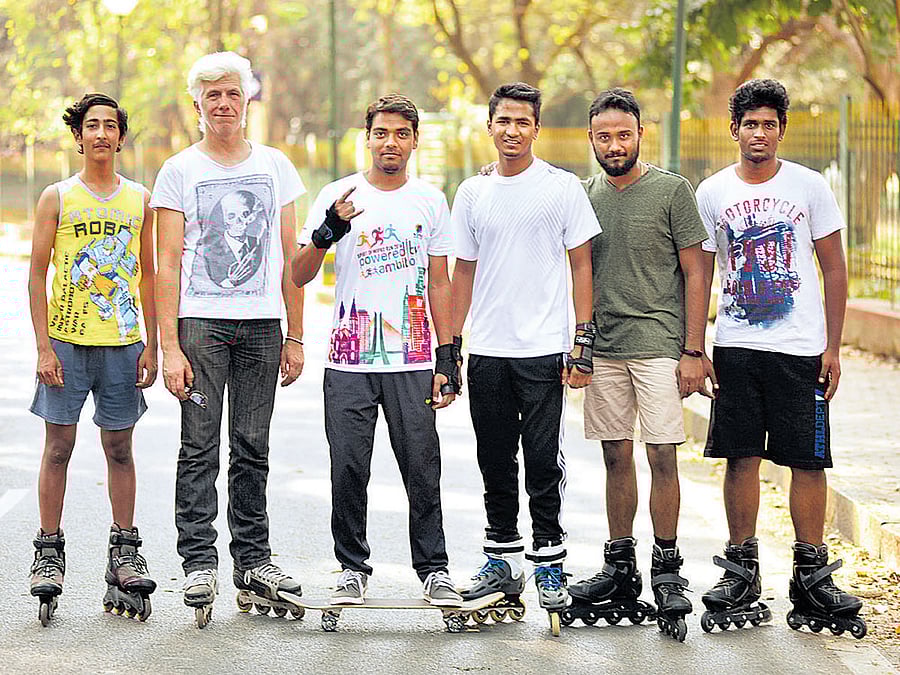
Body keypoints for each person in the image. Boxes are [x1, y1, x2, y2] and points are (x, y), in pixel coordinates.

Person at [696, 79, 865, 638]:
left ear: (782, 130)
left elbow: (834, 268)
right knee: (739, 456)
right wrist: (696, 347)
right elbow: (699, 275)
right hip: (738, 347)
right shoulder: (712, 192)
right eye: (750, 124)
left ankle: (810, 573)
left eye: (769, 124)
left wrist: (833, 345)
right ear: (734, 130)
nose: (759, 134)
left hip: (799, 349)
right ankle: (741, 567)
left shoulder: (810, 187)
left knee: (808, 460)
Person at [152, 51, 306, 623]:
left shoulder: (275, 167)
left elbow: (291, 256)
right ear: (197, 105)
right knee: (199, 446)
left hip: (263, 325)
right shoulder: (179, 171)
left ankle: (253, 560)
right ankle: (198, 560)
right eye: (211, 95)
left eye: (232, 94)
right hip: (201, 325)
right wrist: (169, 345)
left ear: (247, 102)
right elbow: (166, 263)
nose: (223, 104)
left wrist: (296, 334)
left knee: (252, 447)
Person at [291, 93, 462, 607]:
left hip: (411, 359)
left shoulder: (430, 200)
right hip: (349, 361)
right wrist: (328, 230)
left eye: (402, 133)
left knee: (422, 465)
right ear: (367, 138)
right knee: (348, 466)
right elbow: (298, 274)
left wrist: (447, 356)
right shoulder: (339, 194)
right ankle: (351, 569)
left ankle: (433, 569)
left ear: (414, 140)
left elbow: (439, 281)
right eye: (381, 132)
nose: (391, 142)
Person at [565, 88, 712, 642]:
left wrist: (694, 351)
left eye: (623, 134)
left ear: (639, 134)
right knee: (614, 458)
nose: (614, 144)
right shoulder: (582, 195)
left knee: (663, 457)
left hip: (659, 345)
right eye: (603, 136)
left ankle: (668, 569)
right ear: (591, 139)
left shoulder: (673, 191)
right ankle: (620, 564)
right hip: (603, 347)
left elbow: (697, 273)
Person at [450, 82, 601, 617]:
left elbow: (582, 265)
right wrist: (450, 348)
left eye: (522, 122)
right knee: (493, 458)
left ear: (536, 129)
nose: (512, 131)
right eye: (503, 121)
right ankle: (501, 561)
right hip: (487, 349)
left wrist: (583, 342)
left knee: (540, 459)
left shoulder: (561, 188)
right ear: (489, 126)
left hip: (543, 349)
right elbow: (461, 272)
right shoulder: (471, 192)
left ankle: (549, 561)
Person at [27, 93, 158, 623]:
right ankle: (49, 552)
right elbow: (37, 274)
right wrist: (42, 346)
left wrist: (153, 341)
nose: (101, 134)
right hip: (67, 341)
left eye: (110, 126)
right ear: (78, 137)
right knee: (58, 446)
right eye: (91, 126)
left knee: (119, 448)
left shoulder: (140, 200)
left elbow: (149, 273)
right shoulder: (56, 197)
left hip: (123, 342)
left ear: (120, 137)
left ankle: (124, 552)